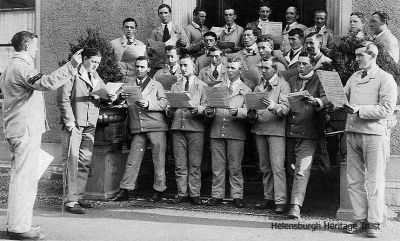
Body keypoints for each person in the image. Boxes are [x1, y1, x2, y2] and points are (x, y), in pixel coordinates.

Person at [0, 31, 81, 240]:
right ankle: (19, 228)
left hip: (19, 129)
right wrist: (71, 66)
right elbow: (46, 83)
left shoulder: (10, 67)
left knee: (22, 178)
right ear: (27, 46)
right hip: (25, 130)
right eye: (35, 46)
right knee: (24, 180)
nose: (37, 50)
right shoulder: (22, 67)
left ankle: (18, 224)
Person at [343, 42, 397, 238]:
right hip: (353, 132)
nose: (356, 59)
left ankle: (374, 222)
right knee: (354, 180)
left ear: (372, 56)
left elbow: (386, 110)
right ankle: (359, 220)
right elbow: (343, 96)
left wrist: (359, 109)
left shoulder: (385, 79)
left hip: (374, 134)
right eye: (356, 55)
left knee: (374, 181)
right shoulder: (354, 77)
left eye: (360, 56)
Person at [57, 48, 116, 214]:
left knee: (84, 160)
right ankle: (70, 201)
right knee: (71, 160)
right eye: (93, 61)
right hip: (74, 123)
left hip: (90, 122)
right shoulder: (73, 72)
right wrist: (69, 120)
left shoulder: (96, 76)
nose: (96, 65)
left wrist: (110, 97)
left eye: (98, 63)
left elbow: (103, 93)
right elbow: (62, 98)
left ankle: (79, 195)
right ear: (84, 59)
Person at [110, 56, 168, 202]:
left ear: (148, 68)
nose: (139, 69)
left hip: (156, 126)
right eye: (137, 66)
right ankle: (126, 189)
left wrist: (148, 103)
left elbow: (164, 103)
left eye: (142, 67)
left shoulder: (156, 85)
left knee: (158, 159)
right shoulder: (128, 84)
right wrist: (120, 97)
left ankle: (159, 190)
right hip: (138, 127)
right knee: (133, 159)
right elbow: (117, 101)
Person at [285, 52, 328, 219]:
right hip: (290, 130)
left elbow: (327, 98)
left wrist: (317, 101)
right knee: (290, 168)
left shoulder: (319, 80)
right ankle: (288, 202)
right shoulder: (291, 81)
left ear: (312, 65)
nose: (300, 67)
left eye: (304, 64)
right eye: (298, 64)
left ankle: (296, 206)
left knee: (302, 169)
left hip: (309, 132)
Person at [204, 58, 251, 208]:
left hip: (235, 131)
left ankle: (237, 196)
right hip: (217, 130)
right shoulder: (217, 87)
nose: (230, 70)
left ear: (240, 71)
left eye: (233, 68)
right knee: (217, 166)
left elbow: (250, 112)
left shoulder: (246, 90)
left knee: (235, 166)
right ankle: (216, 195)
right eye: (228, 67)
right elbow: (208, 107)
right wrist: (209, 111)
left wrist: (238, 111)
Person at [247, 57, 290, 214]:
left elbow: (285, 110)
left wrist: (272, 106)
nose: (263, 70)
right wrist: (251, 112)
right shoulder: (259, 86)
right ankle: (268, 198)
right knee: (265, 167)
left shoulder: (283, 85)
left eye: (266, 68)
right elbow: (252, 106)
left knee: (277, 167)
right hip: (260, 130)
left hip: (276, 131)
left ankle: (280, 201)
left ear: (275, 69)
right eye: (261, 68)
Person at [166, 55, 207, 205]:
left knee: (195, 163)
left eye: (186, 65)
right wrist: (169, 110)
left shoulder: (202, 85)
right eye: (181, 65)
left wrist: (198, 109)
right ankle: (182, 192)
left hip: (195, 128)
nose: (183, 68)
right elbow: (169, 107)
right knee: (180, 163)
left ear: (194, 67)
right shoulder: (175, 86)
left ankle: (195, 193)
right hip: (178, 126)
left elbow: (207, 106)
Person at [149, 4, 189, 76]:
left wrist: (184, 43)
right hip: (160, 65)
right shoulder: (155, 32)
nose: (163, 15)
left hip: (176, 64)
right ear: (158, 15)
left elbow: (188, 45)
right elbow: (150, 49)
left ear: (170, 13)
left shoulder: (178, 29)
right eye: (161, 13)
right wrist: (152, 48)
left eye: (165, 13)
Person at [110, 17, 146, 82]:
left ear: (135, 29)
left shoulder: (141, 45)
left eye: (132, 27)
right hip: (118, 79)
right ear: (122, 28)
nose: (129, 29)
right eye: (126, 27)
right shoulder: (114, 43)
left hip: (134, 80)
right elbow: (108, 62)